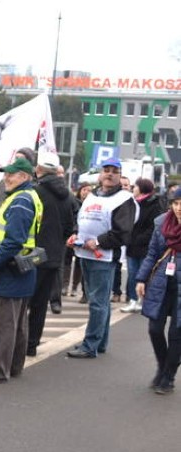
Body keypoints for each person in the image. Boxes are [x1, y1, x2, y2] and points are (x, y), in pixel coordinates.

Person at [0, 156, 43, 383]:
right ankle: (13, 366)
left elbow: (13, 240)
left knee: (2, 323)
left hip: (9, 269)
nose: (6, 178)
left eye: (10, 174)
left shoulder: (20, 200)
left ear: (23, 177)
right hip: (22, 268)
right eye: (5, 174)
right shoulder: (29, 196)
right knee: (18, 323)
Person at [67, 157, 136, 359]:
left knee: (97, 302)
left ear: (119, 175)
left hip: (103, 257)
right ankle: (100, 342)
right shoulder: (92, 195)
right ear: (100, 173)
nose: (109, 174)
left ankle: (90, 345)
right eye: (106, 169)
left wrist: (97, 242)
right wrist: (75, 234)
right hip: (84, 253)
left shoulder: (124, 199)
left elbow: (123, 233)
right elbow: (81, 220)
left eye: (114, 171)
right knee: (99, 302)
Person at [26, 152, 73, 357]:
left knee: (21, 300)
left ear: (38, 170)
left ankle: (15, 342)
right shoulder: (67, 195)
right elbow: (69, 226)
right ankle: (32, 344)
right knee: (40, 303)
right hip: (53, 255)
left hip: (33, 253)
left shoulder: (34, 192)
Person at [136, 189, 181, 394]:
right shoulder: (162, 223)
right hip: (161, 282)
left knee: (176, 334)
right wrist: (141, 278)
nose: (179, 208)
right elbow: (152, 253)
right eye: (176, 203)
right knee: (155, 328)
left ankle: (168, 377)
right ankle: (163, 367)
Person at [122, 178, 164, 313]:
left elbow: (153, 227)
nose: (133, 189)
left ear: (142, 188)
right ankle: (133, 300)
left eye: (136, 186)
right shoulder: (132, 203)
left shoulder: (155, 204)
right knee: (132, 273)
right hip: (131, 245)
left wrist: (139, 239)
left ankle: (143, 300)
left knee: (144, 274)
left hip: (145, 246)